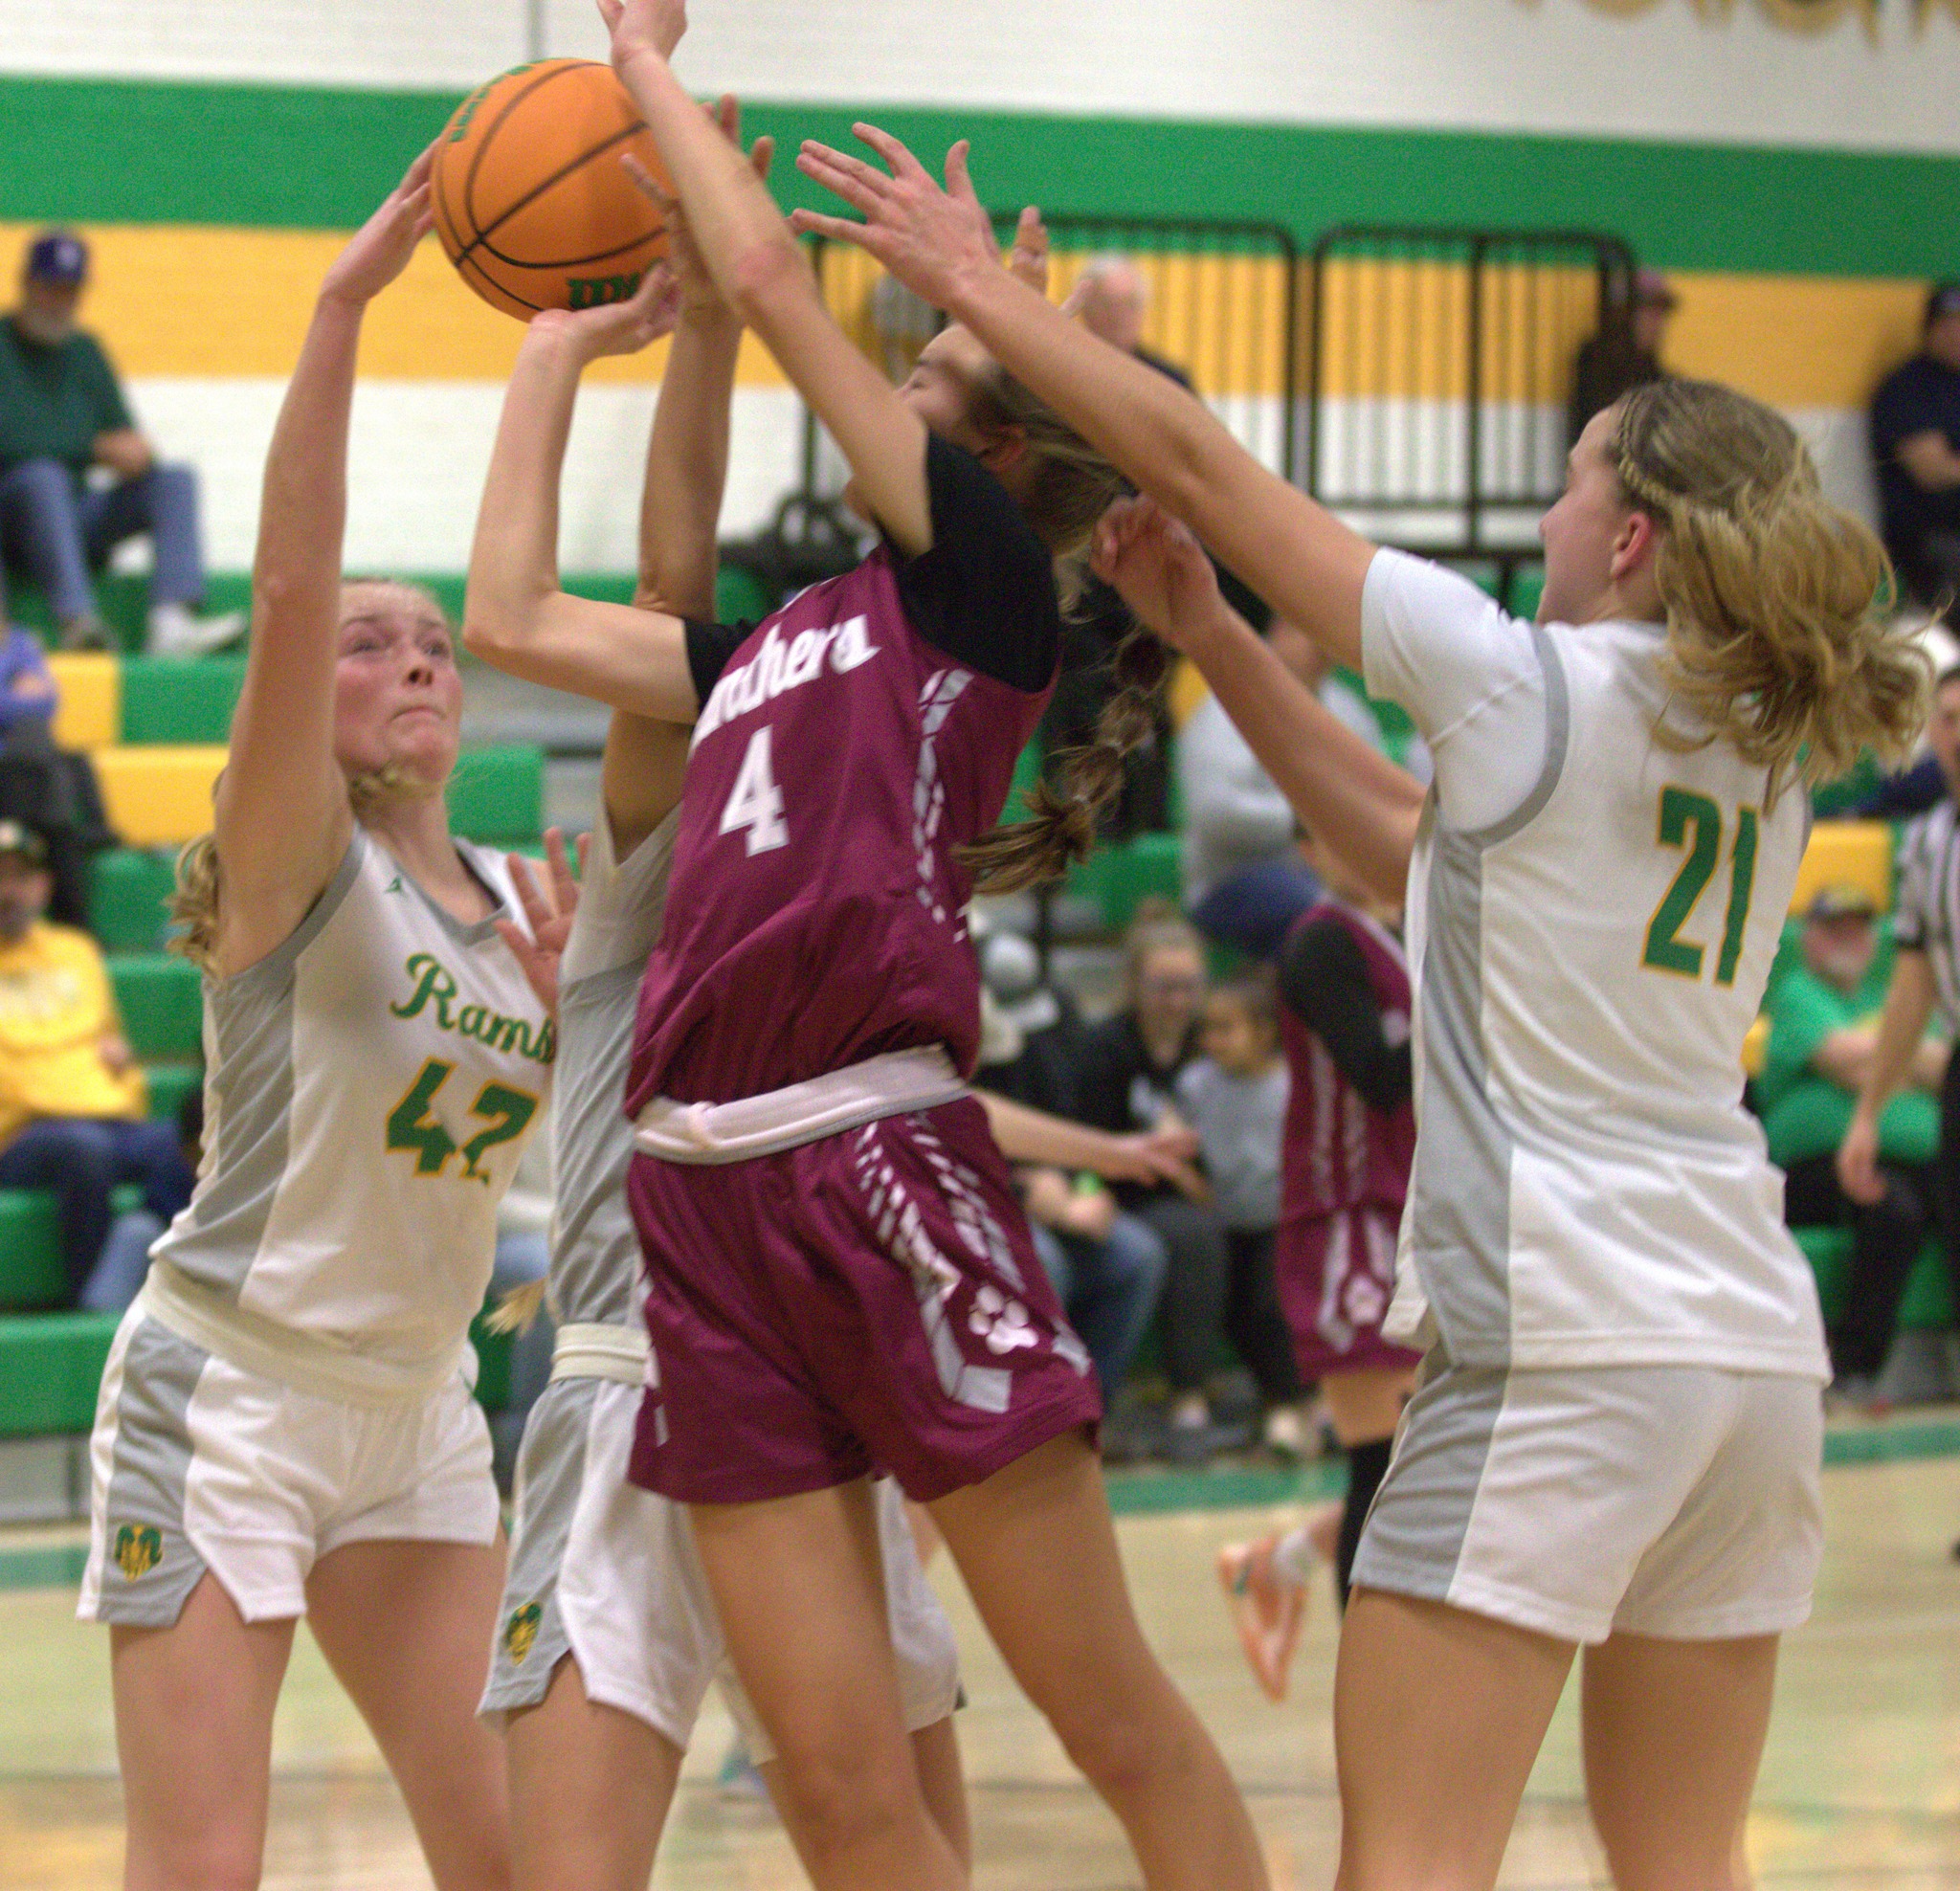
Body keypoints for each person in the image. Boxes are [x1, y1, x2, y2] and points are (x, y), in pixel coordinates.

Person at [793, 130, 1926, 1888]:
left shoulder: (1530, 677)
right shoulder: (1751, 748)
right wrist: (1211, 634)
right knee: (1684, 1869)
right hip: (1746, 1362)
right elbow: (1409, 848)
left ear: (1628, 536)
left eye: (1566, 488)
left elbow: (1198, 460)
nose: (1540, 519)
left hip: (1561, 1336)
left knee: (1403, 1864)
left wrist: (970, 290)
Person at [460, 11, 1269, 1887]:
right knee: (834, 1796)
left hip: (872, 1152)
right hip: (696, 1201)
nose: (898, 363)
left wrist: (639, 65)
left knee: (1109, 1718)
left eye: (936, 363)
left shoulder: (976, 589)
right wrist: (619, 333)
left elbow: (768, 265)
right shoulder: (774, 638)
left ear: (995, 447)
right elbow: (523, 606)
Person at [78, 151, 552, 1891]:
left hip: (419, 1407)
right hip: (234, 1394)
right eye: (374, 645)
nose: (414, 656)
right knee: (205, 1863)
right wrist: (344, 305)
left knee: (514, 1855)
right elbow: (286, 589)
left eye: (434, 642)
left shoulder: (529, 898)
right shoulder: (293, 859)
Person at [1217, 828, 1421, 1700]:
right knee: (1384, 1468)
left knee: (1426, 1465)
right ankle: (1378, 1696)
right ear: (1309, 846)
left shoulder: (1401, 934)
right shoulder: (1320, 943)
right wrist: (1485, 995)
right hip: (1345, 1222)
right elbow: (1380, 1074)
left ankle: (1283, 1560)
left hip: (1408, 1212)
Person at [0, 231, 244, 655]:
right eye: (52, 287)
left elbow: (122, 433)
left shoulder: (85, 350)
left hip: (74, 514)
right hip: (14, 515)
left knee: (173, 479)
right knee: (43, 477)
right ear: (27, 283)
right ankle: (78, 622)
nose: (61, 301)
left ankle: (172, 620)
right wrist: (92, 447)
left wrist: (137, 455)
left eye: (71, 290)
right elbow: (15, 440)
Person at [1070, 905, 1246, 1459]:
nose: (1178, 1001)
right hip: (1124, 1195)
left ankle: (1287, 1395)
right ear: (1133, 984)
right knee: (1192, 1235)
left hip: (1208, 1191)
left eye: (1190, 987)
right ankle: (1187, 1399)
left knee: (1257, 1228)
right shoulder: (1103, 1050)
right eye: (1164, 987)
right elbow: (1080, 1149)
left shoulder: (1211, 1044)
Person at [1762, 885, 1946, 1405]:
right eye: (1834, 928)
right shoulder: (1798, 994)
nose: (1848, 938)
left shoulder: (1889, 1000)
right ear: (1809, 938)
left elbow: (1944, 1068)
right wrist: (1903, 1061)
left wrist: (1880, 1062)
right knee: (1892, 1210)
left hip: (1913, 1161)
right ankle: (1850, 1370)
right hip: (1814, 1168)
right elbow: (1842, 1058)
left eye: (1858, 928)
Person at [0, 816, 193, 1304]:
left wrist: (120, 1073)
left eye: (19, 877)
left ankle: (176, 1279)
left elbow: (111, 1044)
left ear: (43, 885)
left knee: (195, 1140)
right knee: (84, 1150)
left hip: (108, 1118)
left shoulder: (77, 952)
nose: (8, 891)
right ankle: (93, 1302)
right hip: (22, 1134)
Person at [1840, 663, 1960, 1348]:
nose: (1957, 734)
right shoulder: (1925, 844)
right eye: (1947, 719)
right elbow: (1912, 990)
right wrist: (1868, 1113)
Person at [1172, 970, 1311, 1455]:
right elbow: (1174, 1141)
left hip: (1278, 1222)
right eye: (1207, 1029)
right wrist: (1190, 1180)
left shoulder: (1290, 1086)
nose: (1213, 1040)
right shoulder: (1195, 1084)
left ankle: (1292, 1404)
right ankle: (1276, 1401)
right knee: (1232, 1314)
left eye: (1226, 1029)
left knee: (1270, 1310)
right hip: (1223, 1222)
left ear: (1265, 1032)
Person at [1870, 281, 1960, 615]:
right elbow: (1932, 472)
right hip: (1926, 540)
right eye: (1947, 324)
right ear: (1929, 330)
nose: (1956, 334)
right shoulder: (1907, 388)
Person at [1568, 266, 1674, 448]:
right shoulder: (1596, 368)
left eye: (1660, 312)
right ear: (1620, 313)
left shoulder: (1652, 372)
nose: (1657, 323)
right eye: (1648, 310)